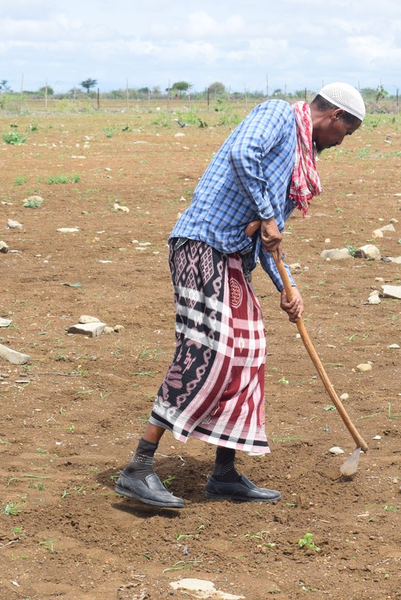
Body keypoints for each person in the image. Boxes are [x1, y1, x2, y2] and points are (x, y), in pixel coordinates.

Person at [115, 82, 365, 508]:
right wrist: (266, 216)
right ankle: (138, 467)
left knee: (249, 350)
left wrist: (288, 287)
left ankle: (224, 473)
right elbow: (243, 154)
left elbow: (269, 240)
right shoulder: (278, 114)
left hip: (233, 258)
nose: (343, 142)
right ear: (335, 116)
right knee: (209, 349)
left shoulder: (300, 162)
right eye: (347, 132)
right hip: (201, 244)